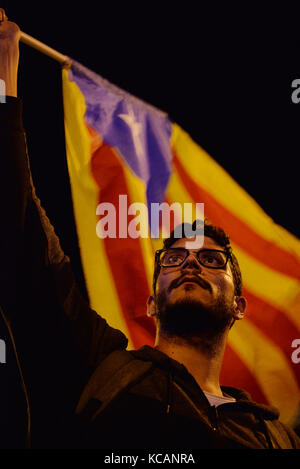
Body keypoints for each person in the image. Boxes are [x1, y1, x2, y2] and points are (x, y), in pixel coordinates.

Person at [0, 11, 299, 450]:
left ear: (239, 305)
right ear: (150, 302)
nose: (190, 263)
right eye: (173, 259)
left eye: (211, 259)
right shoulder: (101, 367)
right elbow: (19, 232)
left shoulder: (275, 437)